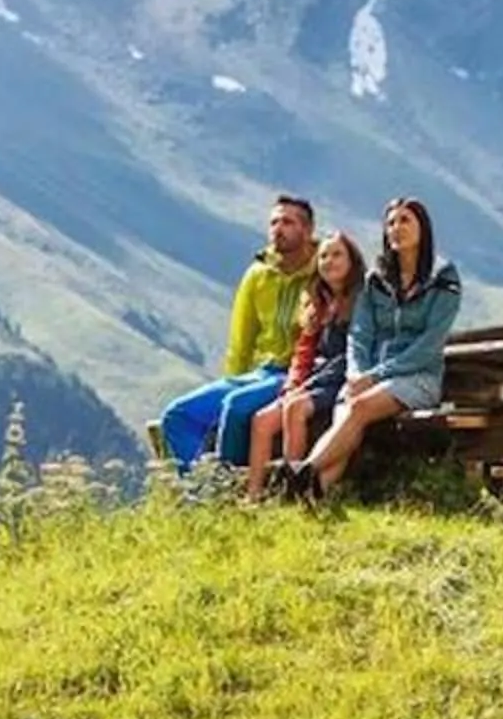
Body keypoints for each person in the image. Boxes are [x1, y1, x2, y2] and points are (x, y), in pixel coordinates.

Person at [282, 197, 461, 498]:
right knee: (348, 414)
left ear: (423, 229)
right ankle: (313, 495)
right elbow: (360, 334)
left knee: (357, 407)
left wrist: (376, 376)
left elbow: (429, 345)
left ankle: (303, 473)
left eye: (405, 221)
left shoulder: (442, 278)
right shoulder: (375, 280)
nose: (396, 228)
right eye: (391, 223)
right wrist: (357, 373)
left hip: (417, 377)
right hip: (368, 377)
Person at [151, 194, 317, 472]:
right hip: (261, 373)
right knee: (177, 415)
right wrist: (235, 377)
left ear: (307, 230)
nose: (278, 229)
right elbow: (242, 340)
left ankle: (227, 486)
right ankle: (198, 490)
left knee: (237, 406)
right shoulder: (258, 274)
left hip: (299, 374)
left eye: (287, 222)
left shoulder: (323, 271)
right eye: (273, 222)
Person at [247, 231, 366, 500]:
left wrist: (305, 389)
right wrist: (293, 383)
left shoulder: (362, 302)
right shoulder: (317, 303)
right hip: (314, 378)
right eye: (323, 256)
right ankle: (253, 496)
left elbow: (355, 352)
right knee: (262, 421)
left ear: (352, 261)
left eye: (337, 254)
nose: (329, 261)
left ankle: (294, 489)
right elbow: (303, 352)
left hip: (340, 378)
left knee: (295, 408)